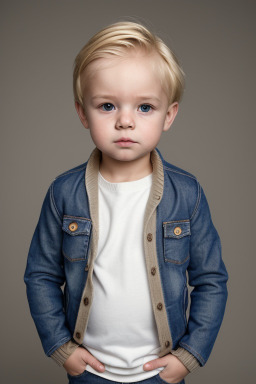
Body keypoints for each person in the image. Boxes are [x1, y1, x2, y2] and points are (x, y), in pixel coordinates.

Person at [24, 21, 228, 384]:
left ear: (169, 115)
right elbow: (40, 275)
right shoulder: (63, 193)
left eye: (145, 107)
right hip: (89, 371)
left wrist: (189, 356)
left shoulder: (188, 194)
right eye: (107, 105)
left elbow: (211, 280)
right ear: (83, 113)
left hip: (161, 371)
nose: (125, 121)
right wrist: (61, 349)